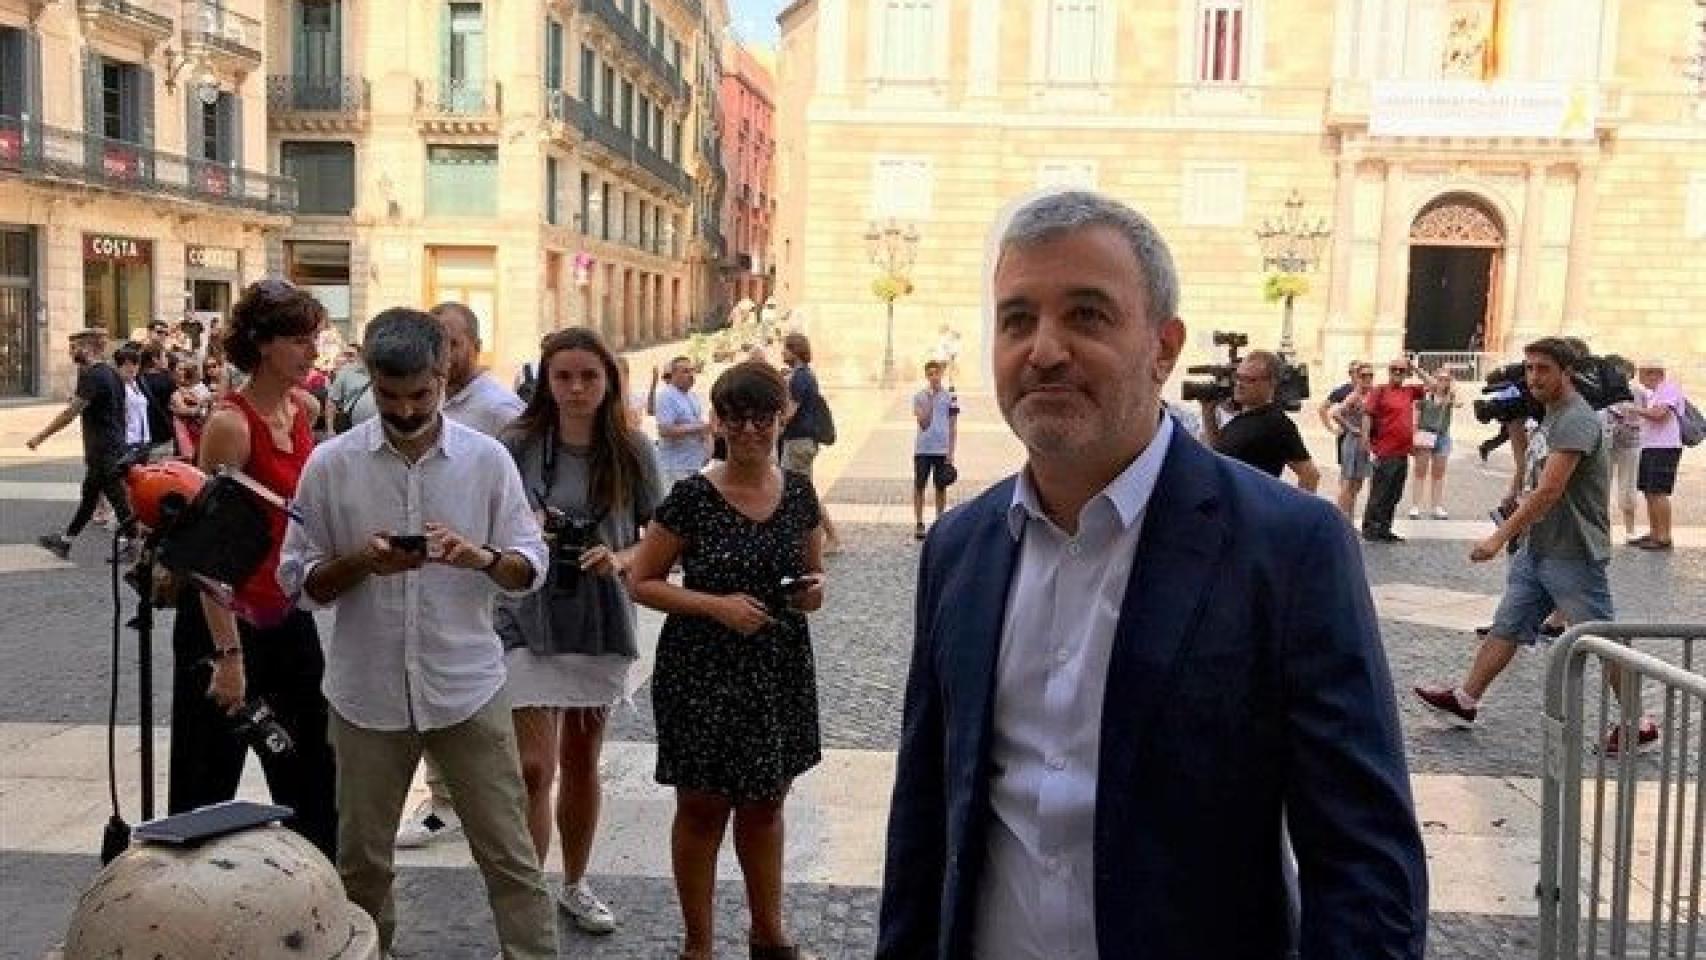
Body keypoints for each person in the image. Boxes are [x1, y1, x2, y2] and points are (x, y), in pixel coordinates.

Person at [878, 191, 1427, 959]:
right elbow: (925, 821)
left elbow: (1364, 860)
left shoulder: (1289, 547)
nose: (1043, 349)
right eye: (1016, 319)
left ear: (1163, 347)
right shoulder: (960, 549)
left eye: (1087, 316)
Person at [278, 308, 558, 960]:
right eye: (388, 395)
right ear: (368, 379)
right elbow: (299, 584)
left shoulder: (486, 462)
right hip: (366, 692)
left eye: (420, 395)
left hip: (467, 687)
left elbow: (528, 569)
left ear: (444, 374)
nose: (404, 410)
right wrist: (360, 562)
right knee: (362, 864)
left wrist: (479, 557)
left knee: (510, 856)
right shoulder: (332, 464)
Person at [628, 361, 829, 960]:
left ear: (780, 419)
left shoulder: (798, 492)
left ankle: (768, 933)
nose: (749, 432)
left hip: (776, 666)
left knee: (767, 804)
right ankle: (699, 946)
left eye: (761, 419)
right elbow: (642, 580)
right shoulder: (692, 497)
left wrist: (810, 592)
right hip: (702, 670)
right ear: (719, 422)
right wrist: (715, 606)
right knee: (702, 807)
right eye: (737, 419)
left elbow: (813, 574)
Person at [495, 327, 665, 934]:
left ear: (609, 382)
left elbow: (659, 538)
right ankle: (527, 907)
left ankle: (574, 882)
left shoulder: (630, 450)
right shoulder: (515, 444)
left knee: (582, 758)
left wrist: (618, 558)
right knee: (533, 768)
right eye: (562, 376)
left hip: (598, 618)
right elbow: (484, 519)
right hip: (525, 615)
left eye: (588, 376)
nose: (574, 388)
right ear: (545, 380)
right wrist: (522, 534)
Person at [1414, 339, 1657, 753]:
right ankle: (1466, 700)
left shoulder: (1576, 420)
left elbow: (1550, 491)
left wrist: (1497, 538)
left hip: (1572, 550)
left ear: (1567, 372)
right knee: (1508, 625)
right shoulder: (1551, 415)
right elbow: (1535, 475)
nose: (1533, 377)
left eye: (1543, 368)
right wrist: (1516, 490)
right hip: (1540, 547)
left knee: (1602, 638)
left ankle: (1640, 723)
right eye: (1529, 369)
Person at [167, 279, 338, 858]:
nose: (313, 352)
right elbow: (209, 555)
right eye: (300, 339)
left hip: (285, 616)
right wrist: (228, 658)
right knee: (205, 785)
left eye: (314, 338)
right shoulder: (230, 427)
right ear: (264, 344)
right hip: (224, 628)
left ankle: (315, 908)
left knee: (314, 777)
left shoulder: (306, 408)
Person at [393, 303, 527, 851]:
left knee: (475, 694)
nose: (442, 353)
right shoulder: (423, 397)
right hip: (421, 575)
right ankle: (443, 796)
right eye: (435, 342)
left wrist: (489, 553)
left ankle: (465, 798)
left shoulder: (499, 410)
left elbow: (517, 499)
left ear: (474, 344)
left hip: (479, 573)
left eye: (450, 342)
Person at [30, 328, 134, 560]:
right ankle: (65, 542)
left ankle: (135, 546)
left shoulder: (93, 376)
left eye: (75, 347)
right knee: (90, 499)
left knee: (117, 499)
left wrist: (40, 437)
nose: (71, 351)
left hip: (103, 450)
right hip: (111, 446)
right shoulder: (111, 373)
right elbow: (121, 410)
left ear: (87, 348)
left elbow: (70, 414)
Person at [1200, 349, 1320, 492]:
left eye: (1249, 380)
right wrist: (1208, 412)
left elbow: (1310, 475)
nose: (1239, 384)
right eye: (1237, 377)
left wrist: (1295, 512)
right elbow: (1217, 453)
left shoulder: (1276, 423)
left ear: (1271, 383)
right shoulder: (1242, 418)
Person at [779, 333, 841, 551]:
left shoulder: (800, 377)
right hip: (804, 440)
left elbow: (789, 414)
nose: (782, 352)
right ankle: (820, 537)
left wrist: (776, 417)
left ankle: (829, 536)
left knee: (796, 491)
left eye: (785, 348)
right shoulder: (804, 375)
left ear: (795, 351)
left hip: (798, 440)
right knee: (801, 490)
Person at [1361, 356, 1430, 543]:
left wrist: (1414, 368)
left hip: (1402, 452)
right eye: (1394, 369)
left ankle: (1385, 528)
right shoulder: (1380, 391)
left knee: (1394, 493)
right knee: (1380, 492)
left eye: (1401, 370)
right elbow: (1367, 414)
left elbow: (1433, 386)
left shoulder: (1409, 391)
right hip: (1385, 450)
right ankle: (1370, 529)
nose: (1398, 373)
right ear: (1389, 371)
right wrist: (1365, 439)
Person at [1628, 359, 1685, 551]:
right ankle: (1655, 532)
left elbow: (1660, 415)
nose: (1640, 379)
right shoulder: (1654, 393)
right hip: (1651, 446)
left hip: (1665, 447)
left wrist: (1634, 410)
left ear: (1654, 373)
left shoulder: (1668, 389)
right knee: (1649, 490)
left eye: (1642, 374)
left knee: (1658, 491)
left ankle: (1664, 536)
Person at [912, 360, 959, 540]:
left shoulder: (950, 397)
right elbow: (923, 423)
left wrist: (951, 453)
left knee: (941, 487)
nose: (934, 377)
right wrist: (930, 401)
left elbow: (953, 426)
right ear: (926, 376)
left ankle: (940, 521)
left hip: (942, 449)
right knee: (919, 485)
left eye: (936, 374)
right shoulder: (919, 397)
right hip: (923, 449)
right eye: (930, 374)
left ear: (941, 374)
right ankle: (919, 522)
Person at [1407, 370, 1460, 520]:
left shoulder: (1450, 397)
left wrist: (1453, 388)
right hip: (1425, 434)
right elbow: (1415, 418)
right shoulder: (1424, 395)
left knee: (1438, 473)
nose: (1443, 382)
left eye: (1447, 379)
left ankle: (1436, 506)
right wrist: (1414, 435)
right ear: (1434, 379)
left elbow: (1460, 403)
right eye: (1440, 379)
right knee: (1420, 471)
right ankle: (1415, 505)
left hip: (1442, 436)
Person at [655, 356, 712, 488]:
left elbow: (700, 424)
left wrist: (708, 446)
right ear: (674, 374)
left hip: (695, 463)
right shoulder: (666, 396)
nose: (691, 375)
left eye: (692, 370)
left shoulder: (692, 395)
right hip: (676, 467)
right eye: (686, 371)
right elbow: (664, 430)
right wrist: (699, 428)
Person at [1605, 357, 1646, 539]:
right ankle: (1602, 530)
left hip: (1630, 442)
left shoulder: (1637, 391)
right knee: (1601, 486)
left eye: (1624, 371)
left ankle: (1630, 530)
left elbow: (1643, 416)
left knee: (1628, 487)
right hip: (1607, 443)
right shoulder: (1604, 391)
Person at [1331, 364, 1376, 519]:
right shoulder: (1354, 395)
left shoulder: (1371, 394)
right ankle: (1341, 518)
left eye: (1370, 375)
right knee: (1347, 482)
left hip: (1365, 443)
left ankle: (1349, 518)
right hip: (1353, 442)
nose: (1367, 379)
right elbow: (1336, 413)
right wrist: (1351, 428)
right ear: (1357, 377)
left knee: (1357, 483)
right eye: (1364, 375)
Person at [326, 342, 375, 433]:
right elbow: (331, 402)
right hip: (351, 430)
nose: (346, 359)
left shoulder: (382, 373)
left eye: (350, 355)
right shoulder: (346, 372)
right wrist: (330, 430)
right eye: (344, 355)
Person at [1317, 360, 1363, 434]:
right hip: (1346, 434)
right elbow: (1322, 408)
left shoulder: (1369, 389)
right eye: (1356, 371)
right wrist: (1331, 429)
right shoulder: (1343, 390)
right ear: (1350, 373)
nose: (1360, 374)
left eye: (1361, 370)